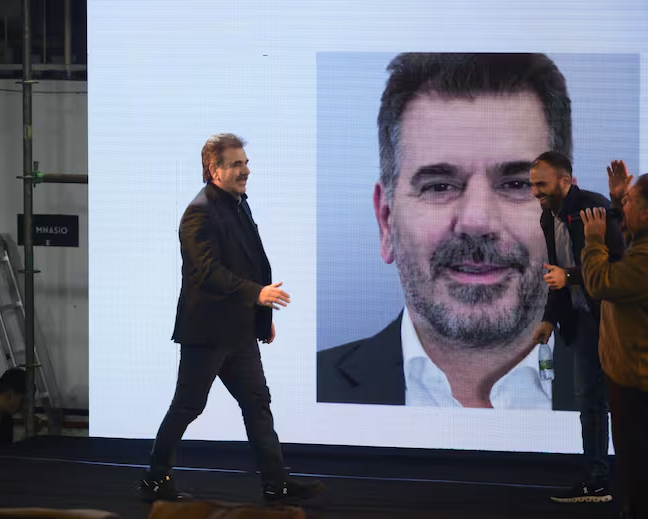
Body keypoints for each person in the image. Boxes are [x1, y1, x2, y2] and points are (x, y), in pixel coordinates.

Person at [318, 53, 577, 410]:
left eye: (517, 184)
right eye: (439, 186)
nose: (477, 221)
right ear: (386, 221)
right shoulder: (302, 392)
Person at [137, 133, 323, 504]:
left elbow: (249, 263)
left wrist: (261, 314)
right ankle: (155, 479)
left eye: (246, 163)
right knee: (188, 406)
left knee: (257, 403)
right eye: (237, 164)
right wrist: (257, 295)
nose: (246, 170)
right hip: (207, 332)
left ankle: (276, 484)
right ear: (214, 170)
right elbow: (208, 273)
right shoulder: (199, 212)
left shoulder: (238, 204)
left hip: (239, 331)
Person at [528, 151, 624, 503]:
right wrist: (548, 319)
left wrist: (568, 276)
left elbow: (617, 266)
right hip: (581, 320)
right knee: (590, 401)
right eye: (532, 184)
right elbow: (557, 272)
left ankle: (611, 479)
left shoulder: (594, 208)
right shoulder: (547, 215)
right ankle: (597, 480)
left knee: (615, 401)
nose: (535, 191)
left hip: (614, 319)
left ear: (565, 181)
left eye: (541, 184)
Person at [580, 165, 648, 519]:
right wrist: (621, 198)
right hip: (628, 373)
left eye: (631, 201)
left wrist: (593, 240)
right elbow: (633, 241)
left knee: (635, 460)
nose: (622, 208)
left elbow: (600, 283)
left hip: (635, 380)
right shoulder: (642, 245)